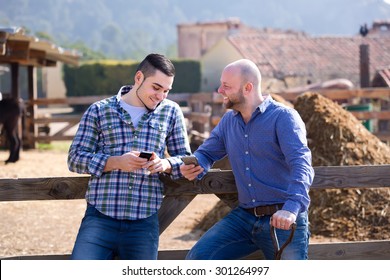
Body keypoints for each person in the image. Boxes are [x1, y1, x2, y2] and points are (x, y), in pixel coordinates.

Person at [180, 59, 314, 260]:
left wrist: (291, 209)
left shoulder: (284, 117)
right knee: (197, 260)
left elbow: (301, 164)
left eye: (226, 86)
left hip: (283, 218)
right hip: (243, 218)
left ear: (248, 88)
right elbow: (206, 153)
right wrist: (197, 165)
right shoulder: (228, 121)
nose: (220, 90)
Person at [68, 53, 191, 260]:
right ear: (138, 78)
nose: (161, 96)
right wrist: (116, 162)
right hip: (100, 218)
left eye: (166, 91)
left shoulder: (171, 112)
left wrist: (165, 164)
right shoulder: (99, 111)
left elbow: (185, 159)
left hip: (144, 223)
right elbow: (74, 159)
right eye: (156, 88)